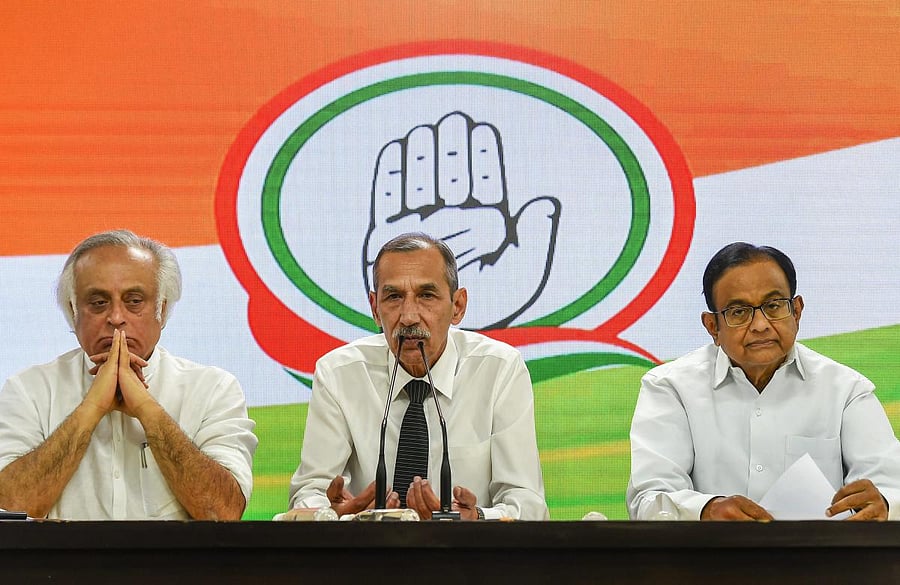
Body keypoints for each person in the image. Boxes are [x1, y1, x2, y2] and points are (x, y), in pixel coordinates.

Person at [627, 242, 900, 521]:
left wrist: (883, 504)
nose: (760, 325)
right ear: (713, 327)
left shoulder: (846, 390)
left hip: (818, 562)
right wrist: (706, 511)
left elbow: (892, 488)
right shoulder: (670, 388)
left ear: (797, 311)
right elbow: (649, 500)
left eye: (773, 306)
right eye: (739, 312)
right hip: (708, 561)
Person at [288, 232, 548, 520]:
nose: (409, 316)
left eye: (426, 296)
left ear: (457, 306)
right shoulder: (339, 374)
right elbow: (309, 493)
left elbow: (528, 504)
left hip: (468, 559)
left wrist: (478, 520)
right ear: (375, 309)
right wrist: (332, 515)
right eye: (394, 297)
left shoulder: (498, 370)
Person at [0, 230, 257, 520]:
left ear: (161, 309)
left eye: (134, 300)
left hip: (175, 567)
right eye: (98, 302)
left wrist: (147, 410)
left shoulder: (213, 389)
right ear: (73, 311)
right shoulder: (28, 389)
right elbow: (10, 510)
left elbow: (223, 513)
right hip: (61, 567)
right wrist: (91, 408)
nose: (116, 317)